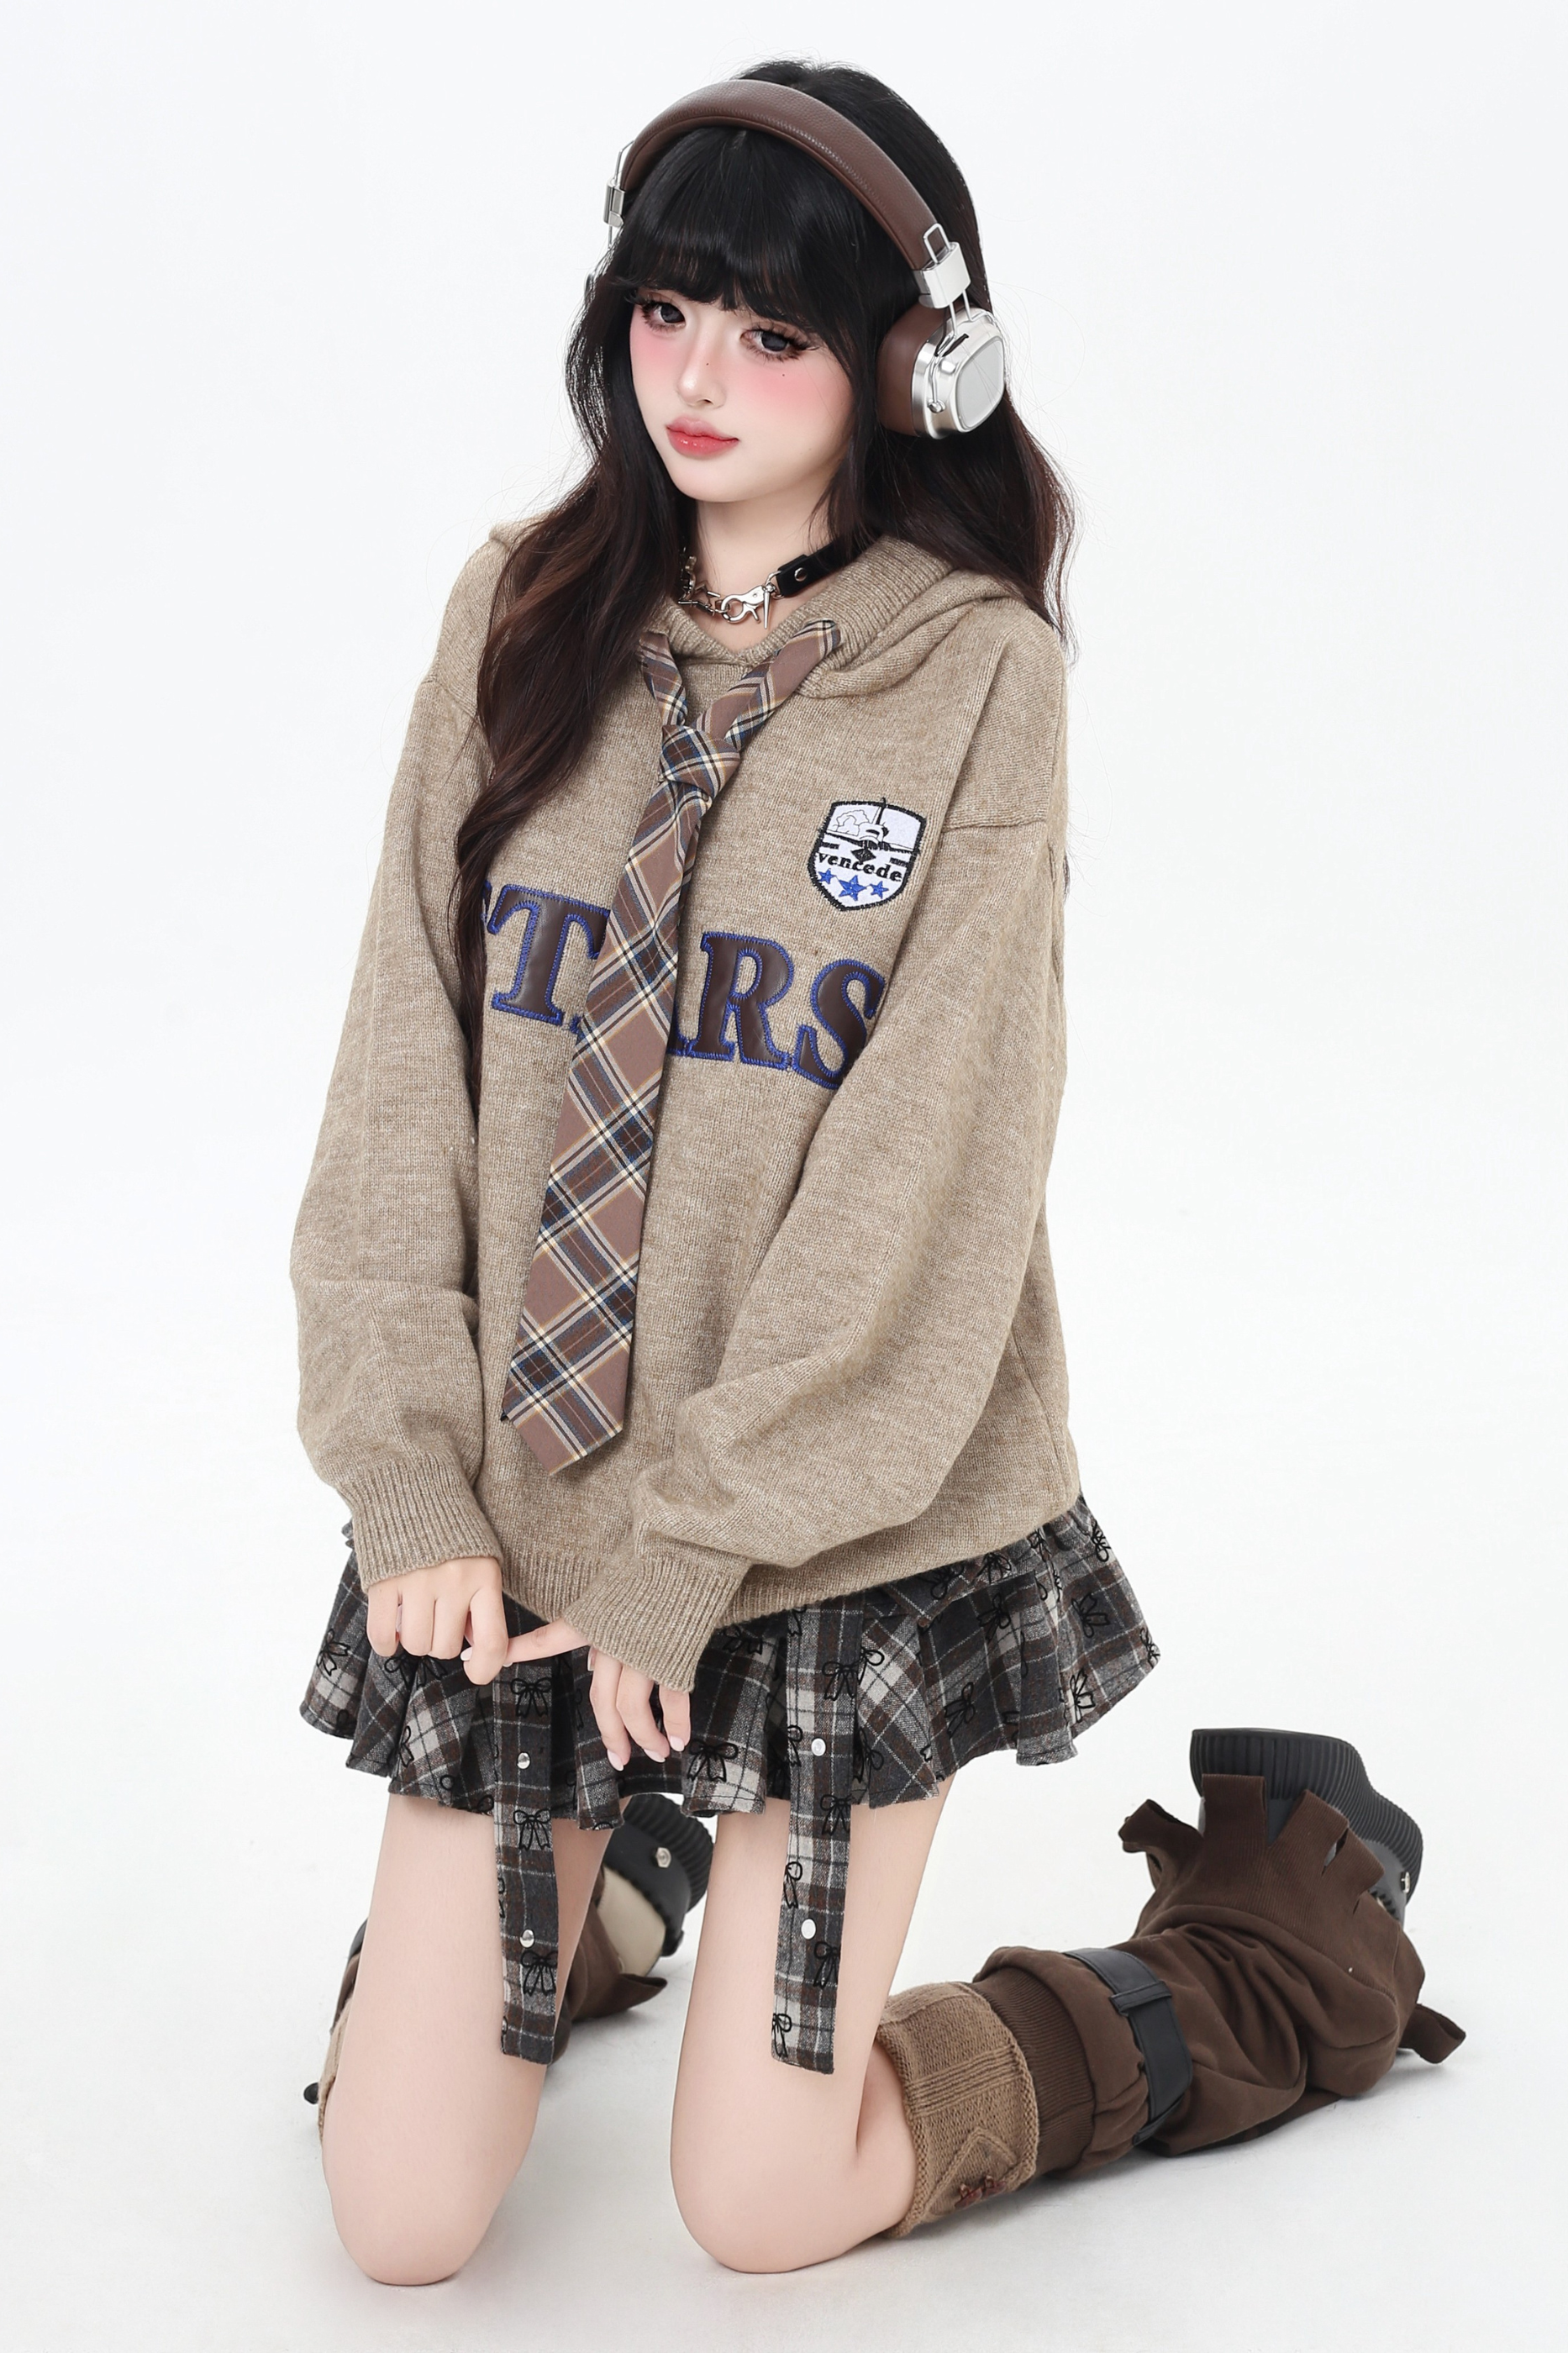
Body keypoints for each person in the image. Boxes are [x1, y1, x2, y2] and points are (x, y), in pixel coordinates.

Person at [291, 60, 1458, 2284]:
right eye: (664, 314)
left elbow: (934, 1170)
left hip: (832, 1530)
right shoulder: (517, 611)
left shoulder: (977, 682)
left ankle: (1275, 1947)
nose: (697, 381)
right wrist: (412, 1480)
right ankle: (618, 1882)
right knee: (403, 2217)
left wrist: (693, 1544)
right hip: (521, 1518)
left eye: (771, 332)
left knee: (762, 2199)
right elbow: (396, 1080)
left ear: (917, 365)